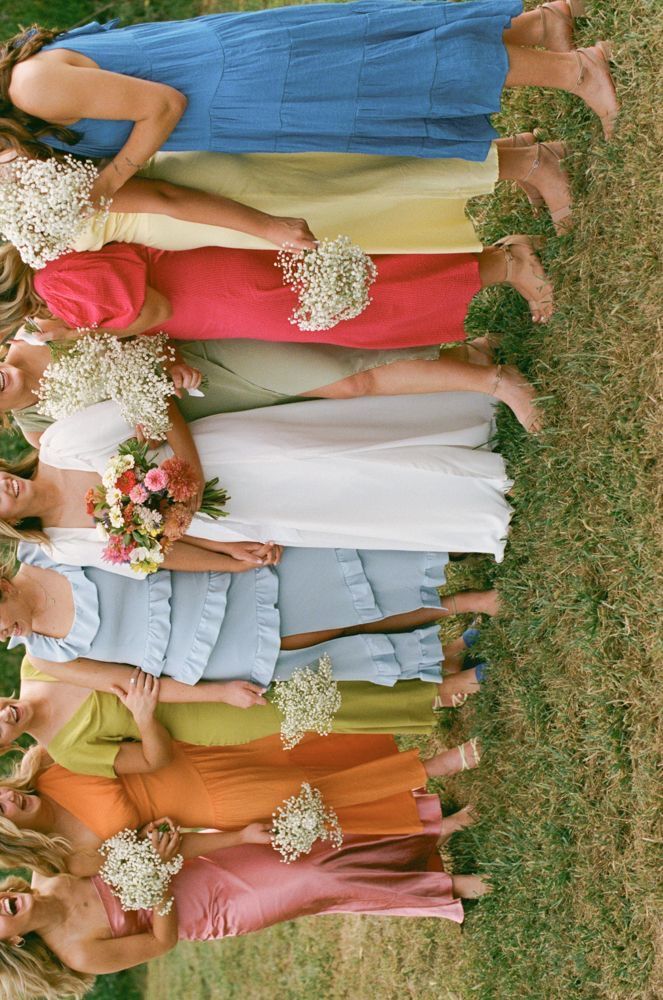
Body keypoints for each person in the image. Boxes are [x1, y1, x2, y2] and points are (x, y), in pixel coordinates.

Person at [0, 2, 618, 205]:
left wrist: (107, 184)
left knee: (396, 74)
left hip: (239, 78)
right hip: (239, 107)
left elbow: (160, 105)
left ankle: (576, 68)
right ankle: (540, 29)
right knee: (385, 67)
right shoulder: (23, 125)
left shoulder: (30, 88)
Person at [0, 393, 514, 558]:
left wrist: (189, 480)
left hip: (219, 458)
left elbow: (154, 402)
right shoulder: (63, 546)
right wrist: (229, 551)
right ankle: (474, 510)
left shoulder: (60, 444)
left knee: (338, 458)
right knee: (342, 508)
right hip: (222, 517)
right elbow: (158, 559)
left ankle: (466, 433)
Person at [2, 541, 490, 692]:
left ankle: (458, 588)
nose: (4, 634)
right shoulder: (47, 656)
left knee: (340, 597)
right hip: (213, 652)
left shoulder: (49, 548)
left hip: (218, 581)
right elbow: (134, 687)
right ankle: (457, 623)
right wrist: (218, 694)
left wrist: (229, 561)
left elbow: (152, 551)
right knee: (335, 638)